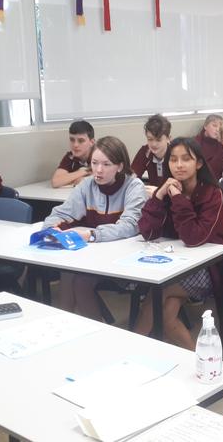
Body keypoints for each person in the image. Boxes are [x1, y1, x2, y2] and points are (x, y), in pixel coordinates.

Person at [134, 137, 223, 350]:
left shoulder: (213, 194)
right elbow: (147, 231)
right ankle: (200, 362)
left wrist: (178, 198)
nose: (178, 165)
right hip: (176, 262)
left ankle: (131, 349)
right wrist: (160, 196)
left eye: (186, 159)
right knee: (167, 318)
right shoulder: (168, 189)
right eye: (173, 160)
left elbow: (193, 238)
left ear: (198, 164)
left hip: (210, 268)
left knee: (157, 293)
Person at [43, 136, 147, 320]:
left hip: (124, 257)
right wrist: (52, 228)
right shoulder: (87, 185)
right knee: (67, 273)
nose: (98, 170)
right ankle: (61, 328)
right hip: (95, 253)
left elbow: (129, 226)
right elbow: (60, 213)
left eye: (106, 164)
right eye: (94, 163)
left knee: (81, 282)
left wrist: (91, 235)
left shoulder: (134, 186)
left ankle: (99, 335)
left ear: (120, 166)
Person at [130, 114, 171, 196]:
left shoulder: (175, 154)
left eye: (158, 140)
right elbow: (132, 177)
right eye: (150, 139)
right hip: (153, 197)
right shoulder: (145, 152)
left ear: (168, 138)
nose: (154, 144)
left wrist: (159, 192)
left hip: (171, 197)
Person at [51, 120, 95, 188]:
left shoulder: (99, 155)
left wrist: (71, 179)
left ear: (91, 142)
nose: (75, 145)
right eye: (72, 140)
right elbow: (56, 182)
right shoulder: (71, 156)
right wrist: (83, 171)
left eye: (81, 141)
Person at [195, 114, 223, 178]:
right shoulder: (195, 142)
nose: (218, 129)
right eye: (214, 125)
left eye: (220, 127)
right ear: (205, 126)